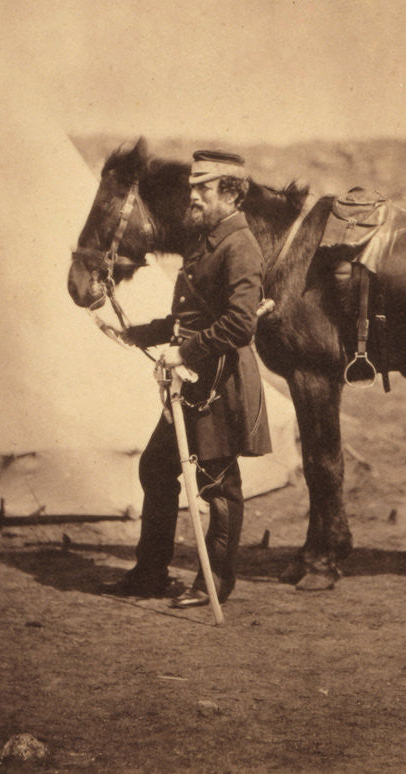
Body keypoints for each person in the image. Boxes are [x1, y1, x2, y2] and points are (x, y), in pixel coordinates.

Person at [104, 150, 272, 608]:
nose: (193, 195)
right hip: (192, 380)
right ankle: (150, 574)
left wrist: (183, 352)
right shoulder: (203, 238)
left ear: (232, 193)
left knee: (217, 484)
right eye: (193, 186)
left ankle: (214, 582)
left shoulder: (240, 245)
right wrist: (140, 332)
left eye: (204, 188)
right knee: (156, 468)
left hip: (218, 380)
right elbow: (191, 315)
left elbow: (240, 324)